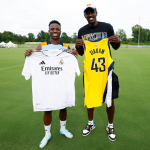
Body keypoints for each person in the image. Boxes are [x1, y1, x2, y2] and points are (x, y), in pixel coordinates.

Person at [25, 20, 78, 148]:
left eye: (57, 29)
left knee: (63, 106)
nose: (55, 31)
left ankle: (63, 129)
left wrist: (75, 55)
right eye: (52, 29)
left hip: (62, 84)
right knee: (47, 108)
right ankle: (47, 133)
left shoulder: (66, 47)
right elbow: (33, 62)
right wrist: (27, 55)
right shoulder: (41, 46)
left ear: (60, 31)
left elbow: (71, 63)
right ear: (49, 31)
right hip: (46, 84)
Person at [75, 4, 121, 141]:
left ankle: (110, 125)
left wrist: (117, 41)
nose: (90, 15)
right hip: (90, 71)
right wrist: (78, 47)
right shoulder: (82, 31)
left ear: (96, 13)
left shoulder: (107, 27)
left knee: (110, 100)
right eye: (87, 13)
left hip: (106, 71)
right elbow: (81, 53)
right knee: (89, 98)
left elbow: (115, 47)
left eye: (92, 12)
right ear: (85, 15)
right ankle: (91, 123)